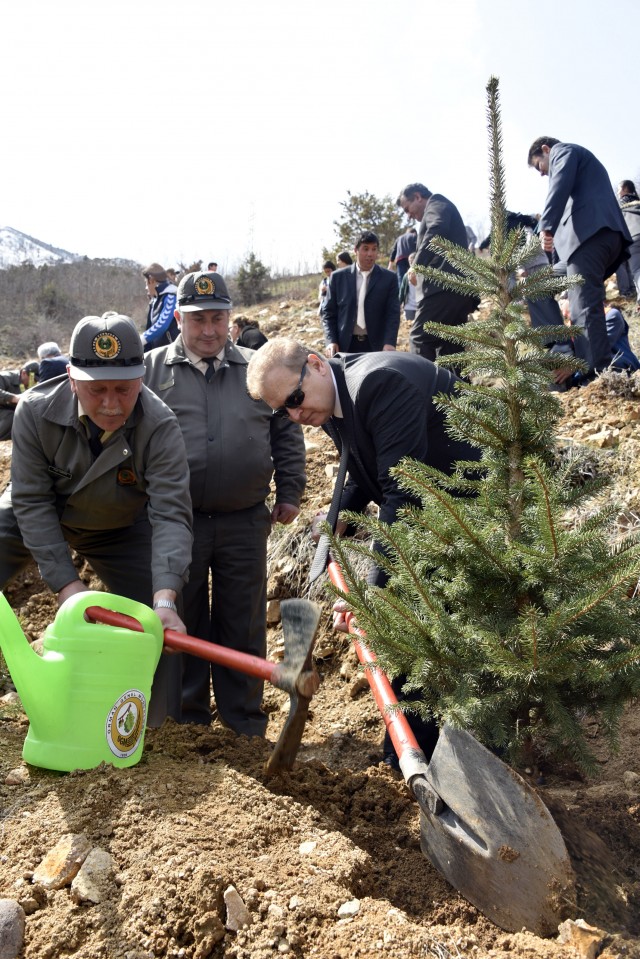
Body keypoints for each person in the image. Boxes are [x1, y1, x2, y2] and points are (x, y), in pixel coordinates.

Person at [246, 338, 482, 767]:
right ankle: (409, 755)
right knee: (408, 633)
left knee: (423, 629)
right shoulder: (332, 398)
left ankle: (436, 756)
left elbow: (403, 494)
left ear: (316, 365)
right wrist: (341, 515)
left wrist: (369, 596)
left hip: (473, 517)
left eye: (295, 400)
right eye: (284, 411)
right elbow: (364, 467)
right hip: (435, 517)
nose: (296, 416)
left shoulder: (378, 384)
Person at [0, 312, 193, 726]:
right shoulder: (33, 412)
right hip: (34, 515)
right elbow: (32, 502)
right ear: (71, 378)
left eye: (123, 390)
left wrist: (164, 599)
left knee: (161, 624)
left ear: (141, 379)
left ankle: (156, 730)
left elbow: (171, 514)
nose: (110, 403)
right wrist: (67, 587)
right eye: (96, 389)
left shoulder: (159, 426)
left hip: (116, 525)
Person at [144, 272, 306, 735]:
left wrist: (290, 490)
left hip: (244, 521)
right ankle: (187, 719)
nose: (210, 330)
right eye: (198, 320)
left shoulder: (257, 368)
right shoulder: (153, 371)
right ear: (178, 318)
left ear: (230, 319)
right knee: (182, 622)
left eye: (218, 318)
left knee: (243, 621)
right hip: (178, 524)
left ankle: (243, 720)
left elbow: (286, 429)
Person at [527, 137, 632, 380]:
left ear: (546, 150)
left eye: (539, 166)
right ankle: (561, 346)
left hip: (591, 238)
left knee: (583, 306)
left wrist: (546, 225)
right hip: (583, 244)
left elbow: (559, 184)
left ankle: (595, 375)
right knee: (537, 284)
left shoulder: (563, 151)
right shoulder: (576, 169)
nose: (543, 174)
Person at [397, 183, 480, 361]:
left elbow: (437, 230)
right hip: (456, 291)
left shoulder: (437, 204)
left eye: (407, 209)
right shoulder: (440, 207)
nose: (409, 215)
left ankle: (425, 388)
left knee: (420, 339)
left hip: (443, 289)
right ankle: (452, 388)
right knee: (450, 350)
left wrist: (417, 264)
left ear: (418, 197)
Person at [320, 231, 400, 356]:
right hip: (345, 345)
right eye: (365, 249)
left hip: (377, 346)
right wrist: (331, 340)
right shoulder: (338, 278)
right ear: (355, 250)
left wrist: (389, 342)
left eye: (374, 249)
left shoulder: (389, 278)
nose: (370, 254)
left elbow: (393, 314)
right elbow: (329, 313)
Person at [141, 263, 179, 352]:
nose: (146, 288)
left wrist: (140, 339)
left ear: (152, 280)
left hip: (172, 354)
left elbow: (162, 325)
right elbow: (150, 327)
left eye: (146, 283)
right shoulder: (155, 300)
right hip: (157, 352)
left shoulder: (170, 297)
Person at [0, 361, 39, 441]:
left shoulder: (32, 385)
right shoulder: (4, 377)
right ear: (24, 373)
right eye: (33, 379)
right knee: (14, 417)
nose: (34, 382)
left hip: (9, 411)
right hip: (4, 411)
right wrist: (14, 398)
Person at [617, 180, 640, 310]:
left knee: (635, 269)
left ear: (625, 189)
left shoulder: (621, 204)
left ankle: (630, 292)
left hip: (633, 237)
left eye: (619, 189)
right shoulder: (638, 200)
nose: (618, 192)